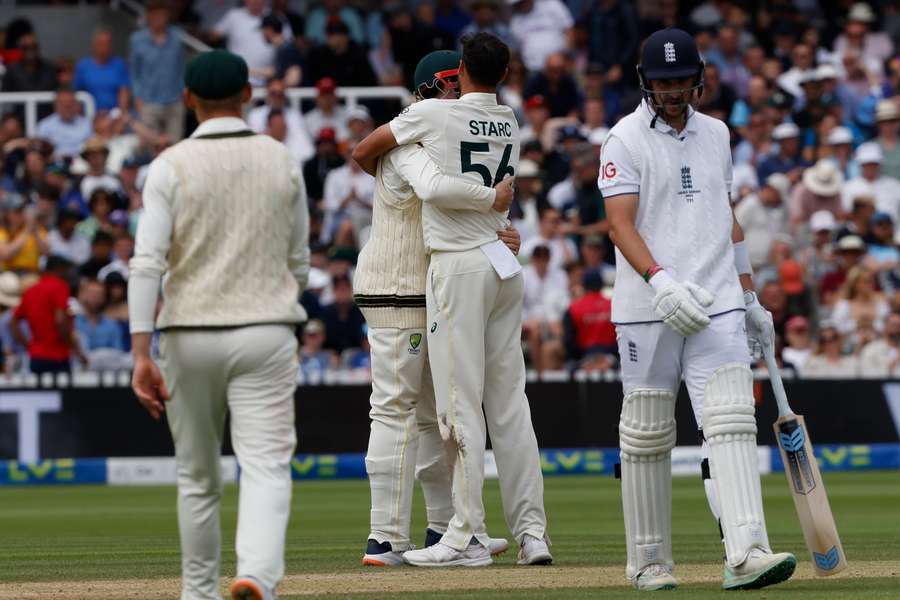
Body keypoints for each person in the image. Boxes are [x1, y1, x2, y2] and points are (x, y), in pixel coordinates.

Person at [599, 29, 795, 591]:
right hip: (647, 306)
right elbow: (619, 223)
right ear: (645, 83)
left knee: (732, 422)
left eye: (682, 79)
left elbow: (725, 216)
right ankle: (649, 561)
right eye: (663, 82)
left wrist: (750, 295)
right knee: (647, 433)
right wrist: (660, 282)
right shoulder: (624, 139)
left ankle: (746, 552)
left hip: (717, 303)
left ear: (699, 77)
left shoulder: (717, 134)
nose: (674, 91)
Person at [352, 32, 551, 568]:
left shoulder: (441, 126)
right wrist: (494, 209)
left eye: (454, 83)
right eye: (443, 86)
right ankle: (386, 538)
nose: (452, 93)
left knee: (438, 415)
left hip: (448, 279)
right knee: (400, 409)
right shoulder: (426, 132)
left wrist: (498, 227)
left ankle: (451, 529)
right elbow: (428, 183)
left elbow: (452, 180)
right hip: (400, 285)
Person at [128, 50, 310, 600]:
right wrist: (274, 303)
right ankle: (256, 573)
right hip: (265, 330)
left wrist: (141, 351)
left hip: (188, 335)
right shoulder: (281, 159)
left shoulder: (169, 164)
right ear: (248, 95)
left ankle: (198, 592)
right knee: (266, 468)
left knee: (197, 478)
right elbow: (299, 262)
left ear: (188, 100)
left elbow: (147, 263)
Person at [11, 255, 81, 375]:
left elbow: (13, 322)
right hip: (58, 355)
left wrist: (28, 345)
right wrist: (72, 346)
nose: (68, 274)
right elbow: (60, 320)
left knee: (40, 393)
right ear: (59, 269)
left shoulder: (30, 291)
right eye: (66, 270)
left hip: (36, 356)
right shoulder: (60, 286)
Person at [129, 0, 186, 141]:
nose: (159, 19)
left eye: (162, 15)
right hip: (148, 101)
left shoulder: (177, 37)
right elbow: (134, 71)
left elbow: (181, 68)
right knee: (149, 146)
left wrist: (183, 92)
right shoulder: (137, 40)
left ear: (167, 16)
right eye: (155, 15)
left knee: (175, 146)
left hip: (174, 100)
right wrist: (137, 97)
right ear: (148, 16)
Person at [74, 29, 130, 113]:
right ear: (94, 45)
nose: (104, 47)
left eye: (107, 43)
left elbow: (124, 92)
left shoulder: (119, 65)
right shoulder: (83, 66)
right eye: (101, 43)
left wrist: (122, 113)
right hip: (89, 114)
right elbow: (77, 94)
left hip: (114, 114)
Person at [35, 88, 93, 160]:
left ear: (76, 104)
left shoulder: (87, 125)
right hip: (54, 165)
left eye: (70, 104)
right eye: (63, 104)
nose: (67, 107)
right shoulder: (44, 126)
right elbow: (40, 150)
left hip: (81, 164)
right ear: (55, 105)